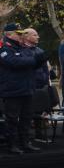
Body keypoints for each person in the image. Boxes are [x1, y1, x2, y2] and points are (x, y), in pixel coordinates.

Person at [0, 23, 47, 154]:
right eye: (18, 33)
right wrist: (33, 60)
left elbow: (29, 62)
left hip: (27, 88)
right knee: (12, 119)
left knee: (26, 118)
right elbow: (13, 62)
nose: (21, 36)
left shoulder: (21, 47)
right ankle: (12, 145)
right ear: (9, 34)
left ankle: (25, 143)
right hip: (12, 90)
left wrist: (38, 61)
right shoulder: (4, 47)